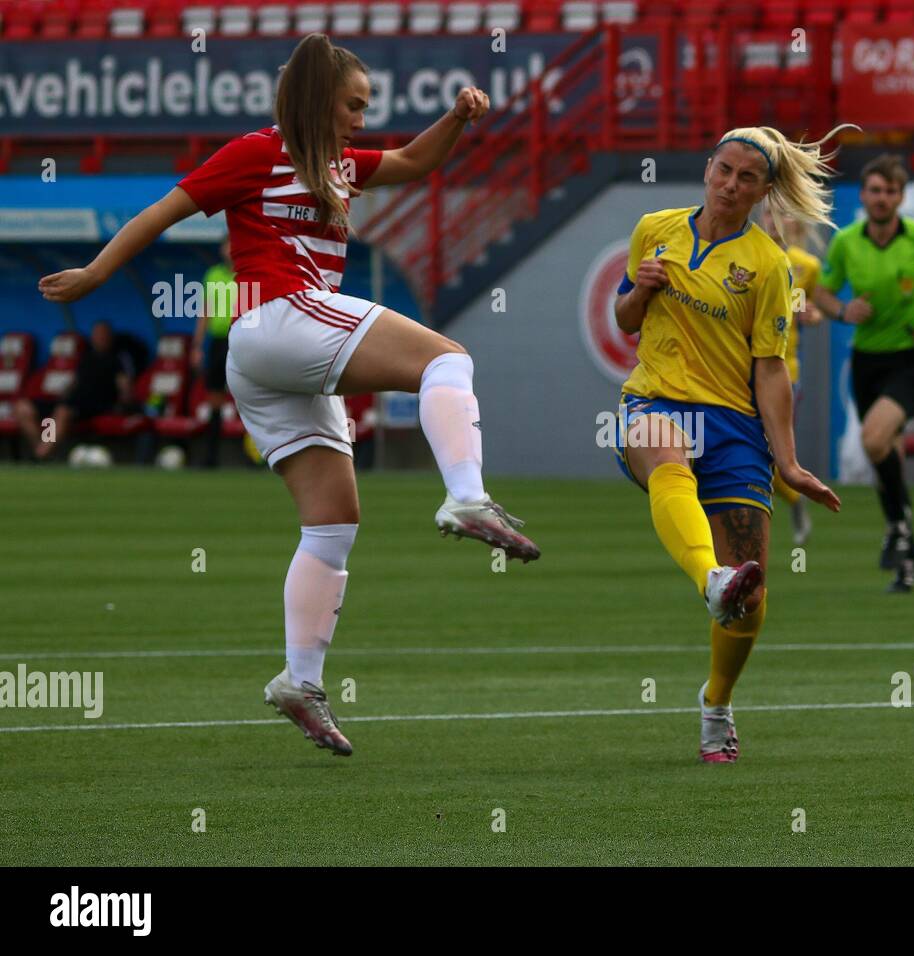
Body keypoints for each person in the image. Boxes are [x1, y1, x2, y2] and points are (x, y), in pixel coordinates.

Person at [38, 33, 539, 757]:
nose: (363, 120)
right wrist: (93, 273)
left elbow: (414, 161)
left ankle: (298, 680)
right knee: (448, 357)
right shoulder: (253, 153)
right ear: (316, 100)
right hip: (278, 317)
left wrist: (459, 118)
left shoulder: (337, 164)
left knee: (333, 521)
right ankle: (466, 495)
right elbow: (163, 212)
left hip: (270, 359)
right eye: (354, 105)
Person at [613, 124, 846, 763]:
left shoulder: (769, 265)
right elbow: (625, 318)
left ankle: (717, 704)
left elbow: (771, 369)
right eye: (724, 170)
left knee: (753, 598)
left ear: (764, 191)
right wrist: (642, 288)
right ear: (708, 168)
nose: (730, 185)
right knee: (664, 448)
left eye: (747, 178)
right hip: (655, 399)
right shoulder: (654, 228)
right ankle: (711, 578)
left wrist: (790, 461)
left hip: (736, 425)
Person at [812, 154, 914, 593]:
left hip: (911, 359)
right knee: (886, 455)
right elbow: (822, 292)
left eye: (890, 191)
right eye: (874, 190)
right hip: (867, 360)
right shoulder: (847, 242)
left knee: (872, 439)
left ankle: (898, 532)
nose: (881, 198)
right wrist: (843, 310)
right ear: (864, 196)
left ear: (901, 197)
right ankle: (909, 551)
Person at [759, 203, 824, 546]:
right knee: (746, 450)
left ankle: (793, 501)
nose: (773, 220)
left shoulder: (806, 266)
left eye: (781, 214)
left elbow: (810, 310)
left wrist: (811, 316)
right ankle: (793, 499)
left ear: (794, 223)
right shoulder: (746, 255)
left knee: (768, 451)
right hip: (739, 368)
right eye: (768, 213)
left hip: (785, 369)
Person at [14, 320, 131, 461]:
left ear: (110, 337)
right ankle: (41, 448)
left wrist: (123, 406)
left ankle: (40, 455)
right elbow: (74, 382)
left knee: (61, 412)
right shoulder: (85, 357)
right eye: (97, 334)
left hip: (93, 405)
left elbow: (125, 388)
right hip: (70, 400)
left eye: (103, 335)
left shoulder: (117, 360)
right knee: (23, 407)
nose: (100, 338)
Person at [192, 237, 236, 468]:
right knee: (215, 397)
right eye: (225, 245)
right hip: (218, 342)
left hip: (242, 338)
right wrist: (197, 346)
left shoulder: (249, 273)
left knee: (249, 397)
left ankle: (257, 456)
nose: (229, 250)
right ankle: (211, 457)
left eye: (233, 245)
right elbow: (205, 312)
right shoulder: (213, 275)